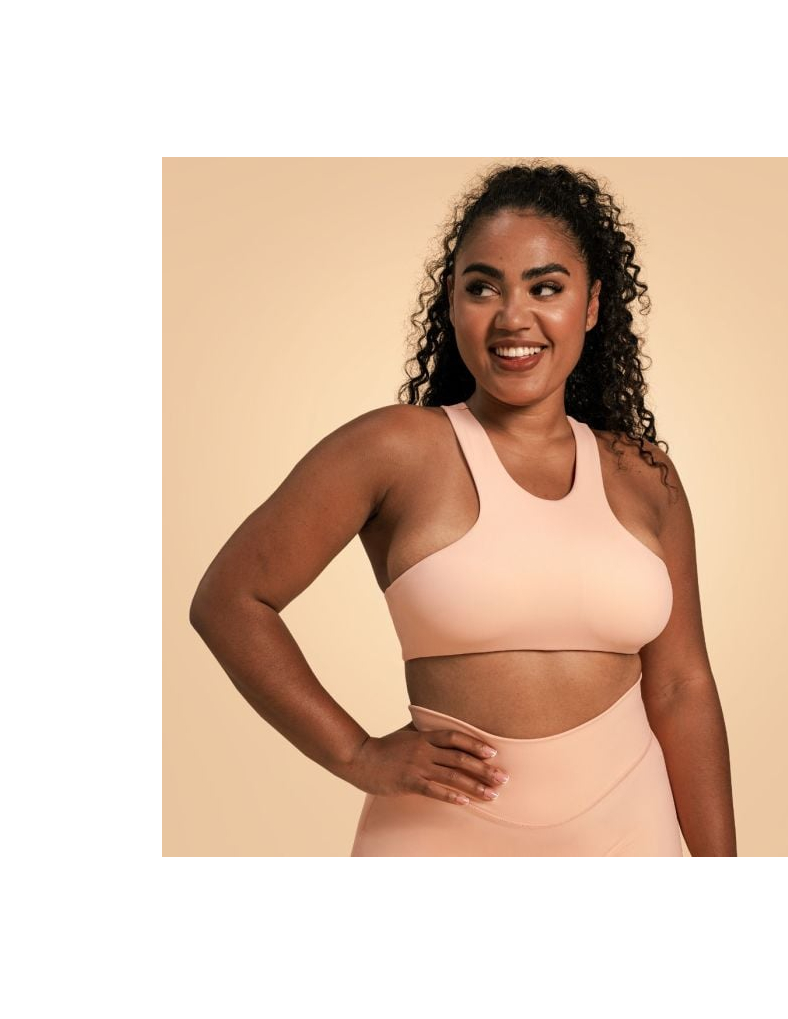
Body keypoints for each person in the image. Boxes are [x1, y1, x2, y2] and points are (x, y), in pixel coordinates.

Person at [189, 161, 737, 856]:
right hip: (438, 837)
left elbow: (683, 687)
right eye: (483, 287)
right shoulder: (393, 449)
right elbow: (230, 600)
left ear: (592, 305)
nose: (514, 317)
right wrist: (356, 754)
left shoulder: (644, 476)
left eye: (546, 287)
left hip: (631, 833)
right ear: (452, 302)